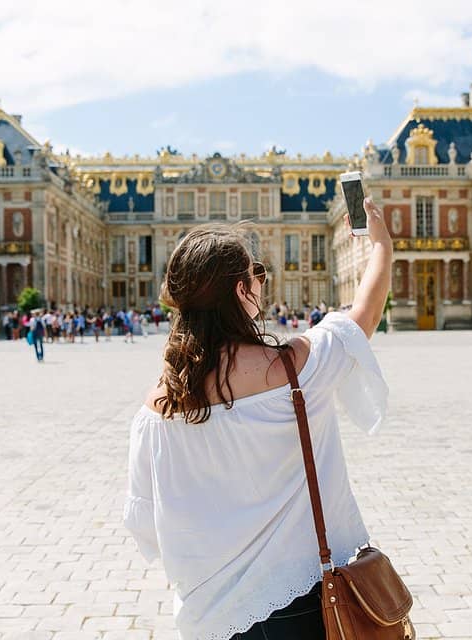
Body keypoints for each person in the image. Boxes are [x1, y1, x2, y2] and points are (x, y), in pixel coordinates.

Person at [124, 198, 392, 640]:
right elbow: (364, 314)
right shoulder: (299, 369)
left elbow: (145, 525)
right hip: (303, 603)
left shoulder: (156, 408)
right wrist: (381, 247)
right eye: (257, 274)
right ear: (241, 291)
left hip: (211, 617)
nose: (262, 283)